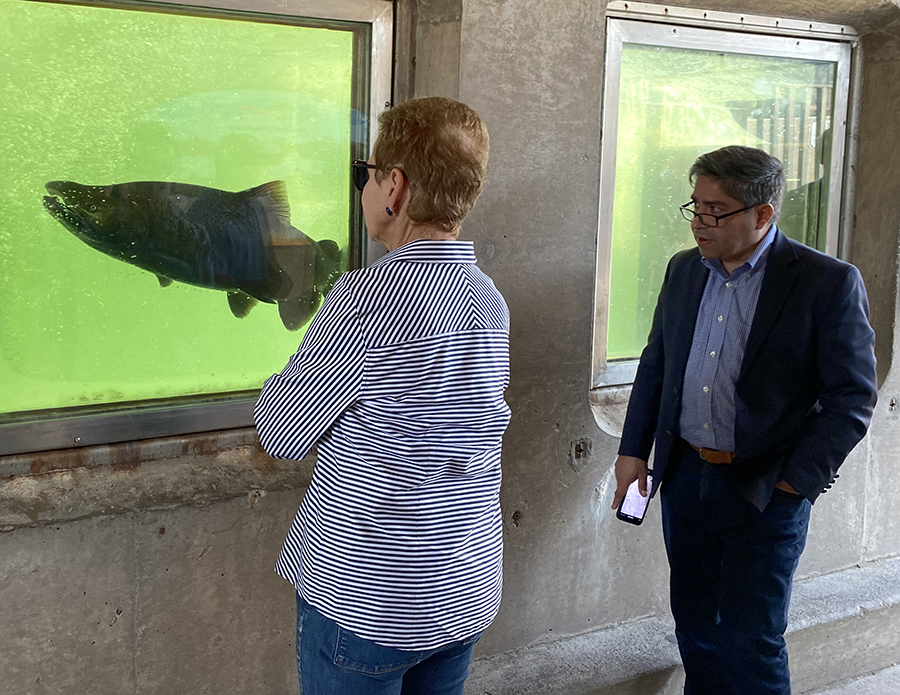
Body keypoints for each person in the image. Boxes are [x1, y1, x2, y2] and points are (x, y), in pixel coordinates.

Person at [254, 96, 509, 695]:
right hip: (465, 588)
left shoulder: (375, 291)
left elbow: (282, 433)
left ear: (394, 185)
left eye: (364, 175)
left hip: (367, 600)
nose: (364, 189)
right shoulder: (485, 296)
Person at [611, 145, 877, 695]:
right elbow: (657, 363)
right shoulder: (685, 270)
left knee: (750, 641)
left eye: (717, 210)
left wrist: (794, 483)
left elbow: (852, 396)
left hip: (764, 487)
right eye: (696, 206)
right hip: (684, 479)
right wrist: (633, 450)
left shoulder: (825, 281)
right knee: (696, 630)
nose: (701, 222)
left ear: (763, 214)